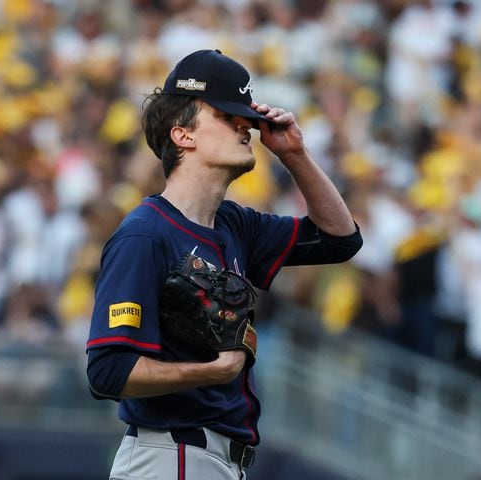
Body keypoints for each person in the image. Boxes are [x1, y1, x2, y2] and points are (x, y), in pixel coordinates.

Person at [85, 49, 362, 480]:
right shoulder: (145, 234)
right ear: (183, 135)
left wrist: (294, 155)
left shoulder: (234, 224)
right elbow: (107, 371)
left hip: (215, 459)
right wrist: (213, 371)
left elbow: (340, 239)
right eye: (226, 115)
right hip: (172, 453)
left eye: (244, 115)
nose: (245, 125)